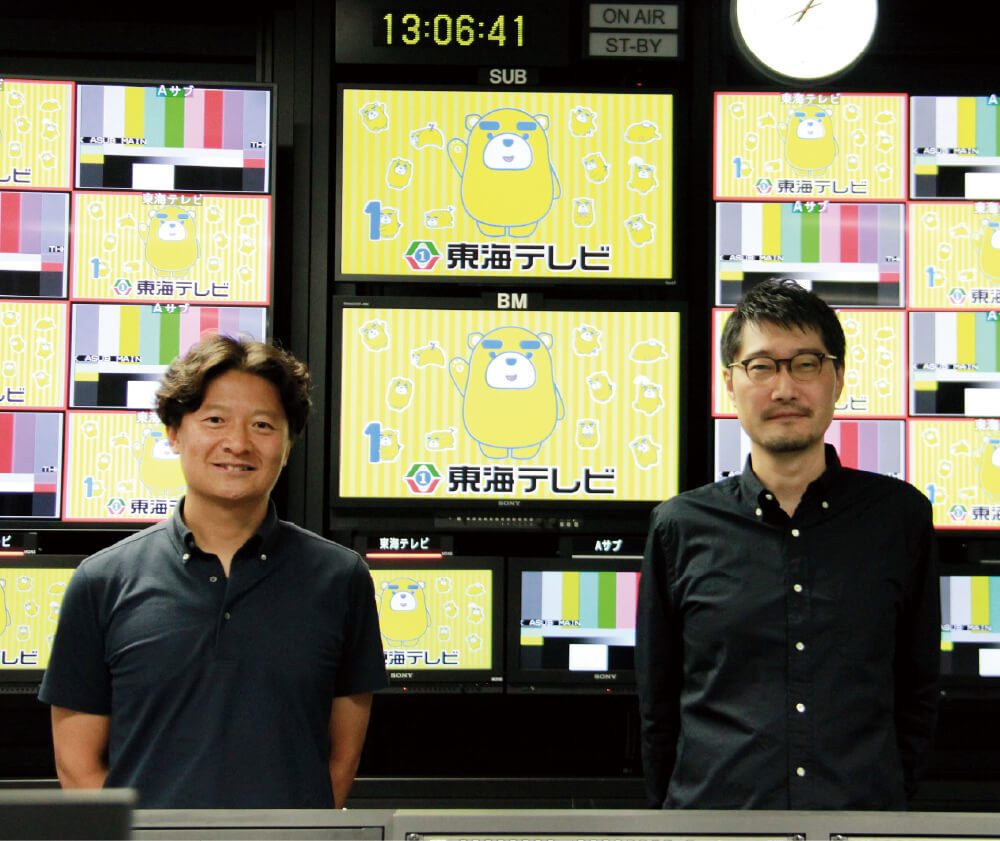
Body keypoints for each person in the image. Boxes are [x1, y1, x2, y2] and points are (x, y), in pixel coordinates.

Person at [39, 335, 387, 809]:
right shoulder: (101, 581)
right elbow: (78, 767)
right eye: (215, 420)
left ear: (287, 447)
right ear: (175, 434)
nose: (238, 443)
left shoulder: (341, 578)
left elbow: (340, 764)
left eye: (263, 425)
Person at [636, 279, 939, 810]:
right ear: (730, 381)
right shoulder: (679, 526)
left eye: (805, 364)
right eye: (761, 366)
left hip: (860, 825)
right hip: (714, 826)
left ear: (837, 378)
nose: (783, 389)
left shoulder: (899, 518)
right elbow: (657, 707)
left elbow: (918, 693)